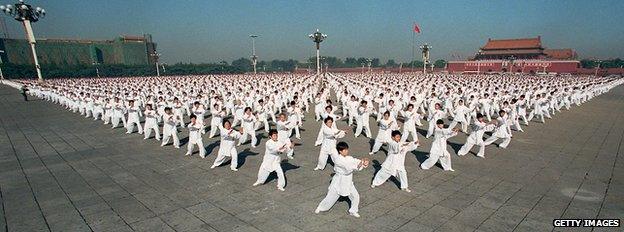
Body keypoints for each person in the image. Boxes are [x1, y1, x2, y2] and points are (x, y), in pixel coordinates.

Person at [315, 142, 370, 218]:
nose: (347, 151)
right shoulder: (338, 160)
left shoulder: (348, 158)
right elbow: (348, 167)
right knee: (331, 197)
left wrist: (363, 161)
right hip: (339, 181)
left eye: (347, 149)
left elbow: (355, 160)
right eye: (345, 150)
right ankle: (321, 207)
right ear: (340, 151)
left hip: (348, 181)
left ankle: (353, 211)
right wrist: (359, 165)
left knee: (355, 196)